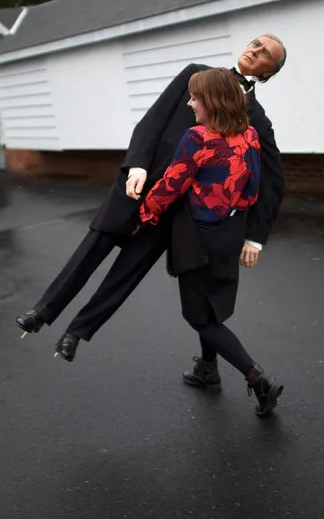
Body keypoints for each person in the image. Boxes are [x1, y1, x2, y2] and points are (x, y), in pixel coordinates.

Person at [14, 36, 288, 364]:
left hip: (174, 210)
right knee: (91, 251)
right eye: (255, 44)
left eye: (264, 55)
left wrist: (255, 237)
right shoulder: (195, 75)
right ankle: (42, 312)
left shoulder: (255, 118)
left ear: (268, 73)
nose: (254, 51)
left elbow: (272, 179)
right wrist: (137, 165)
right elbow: (152, 122)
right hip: (136, 185)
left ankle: (76, 333)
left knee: (127, 272)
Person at [138, 67, 284, 417]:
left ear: (212, 101)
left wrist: (144, 215)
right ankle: (207, 369)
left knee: (200, 318)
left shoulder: (197, 138)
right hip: (229, 233)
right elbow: (252, 191)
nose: (190, 103)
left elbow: (171, 186)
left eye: (195, 97)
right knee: (210, 306)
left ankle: (258, 379)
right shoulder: (249, 135)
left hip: (198, 237)